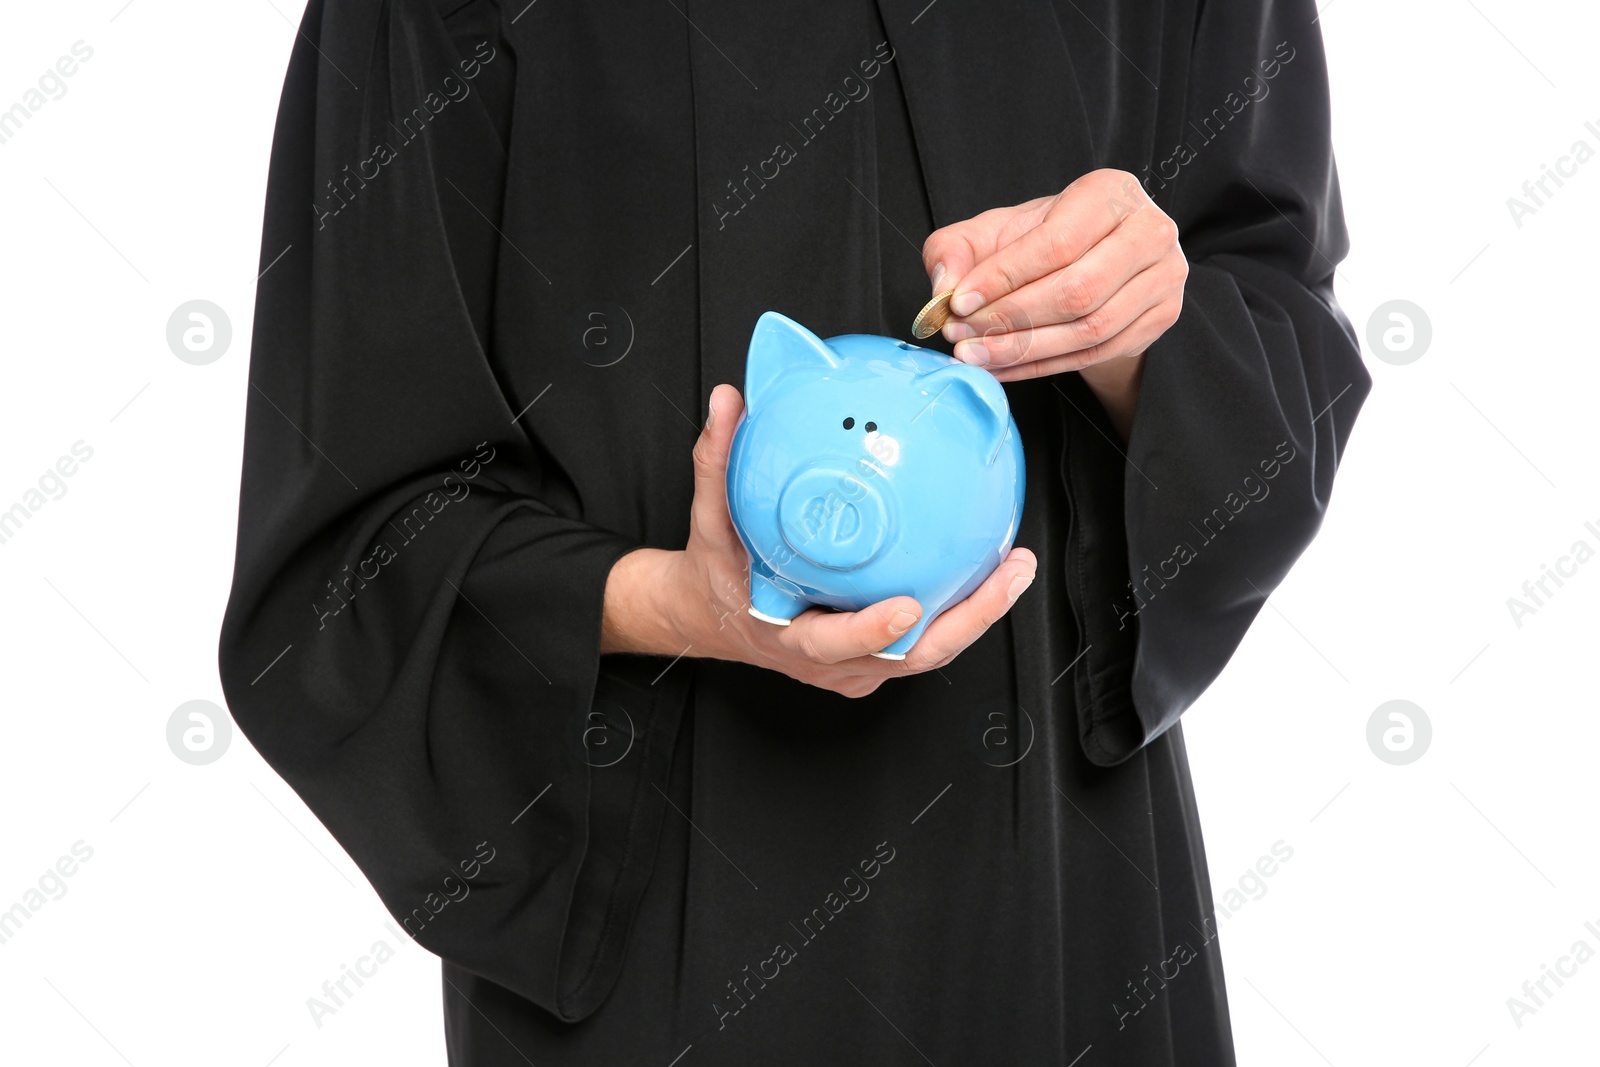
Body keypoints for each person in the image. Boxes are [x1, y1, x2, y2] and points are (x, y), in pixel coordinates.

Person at [219, 1, 1368, 1063]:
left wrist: (1129, 324)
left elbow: (1282, 337)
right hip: (660, 930)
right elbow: (345, 554)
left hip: (1065, 912)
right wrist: (688, 607)